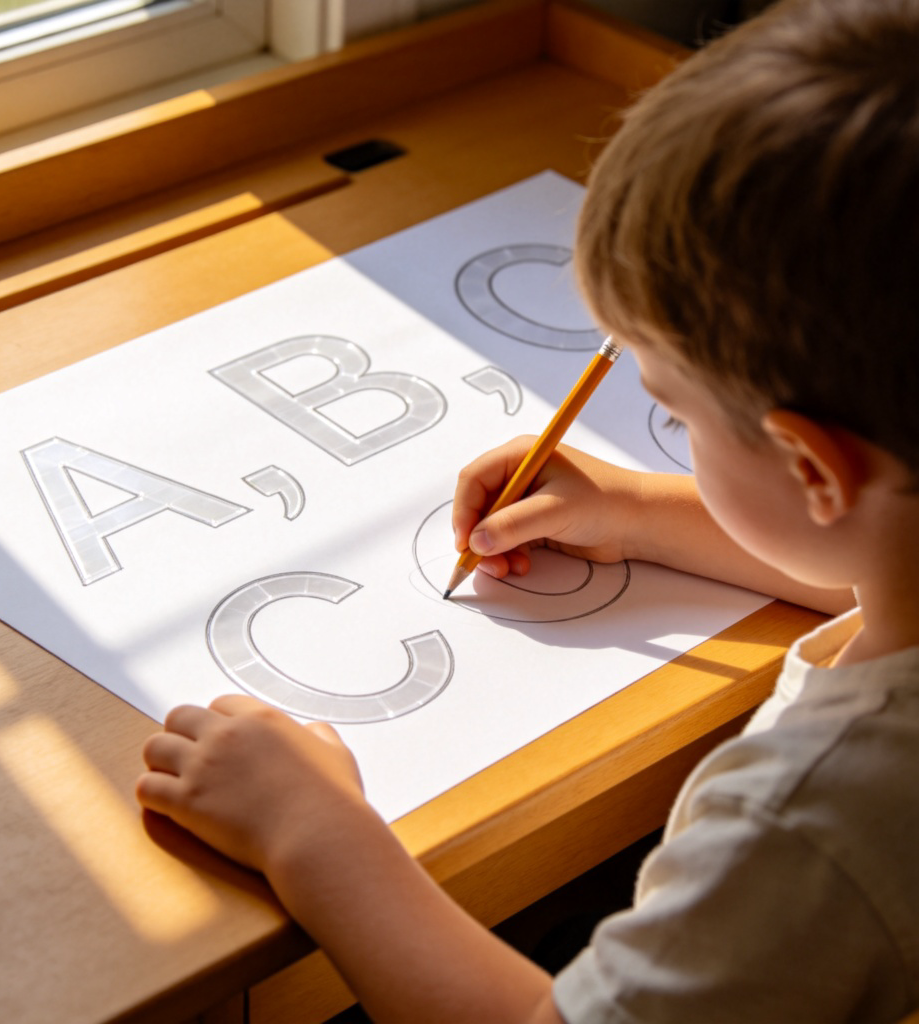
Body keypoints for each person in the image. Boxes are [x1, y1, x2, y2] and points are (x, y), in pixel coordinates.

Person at [135, 0, 919, 1018]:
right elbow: (871, 558)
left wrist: (315, 832)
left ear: (813, 470)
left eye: (671, 415)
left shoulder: (809, 820)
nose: (664, 434)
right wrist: (639, 509)